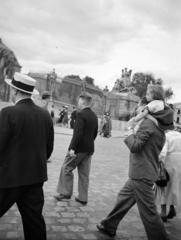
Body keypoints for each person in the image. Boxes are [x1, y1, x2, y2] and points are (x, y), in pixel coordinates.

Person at [97, 86, 173, 240]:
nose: (139, 109)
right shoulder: (159, 126)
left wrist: (129, 130)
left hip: (142, 174)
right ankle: (108, 225)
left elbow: (135, 146)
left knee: (149, 213)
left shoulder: (148, 124)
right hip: (143, 172)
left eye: (142, 107)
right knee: (123, 198)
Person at [0, 72, 54, 240]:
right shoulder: (45, 115)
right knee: (34, 223)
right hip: (35, 178)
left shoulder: (8, 113)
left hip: (9, 179)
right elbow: (48, 149)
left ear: (15, 92)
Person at [54, 92, 98, 204]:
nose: (77, 102)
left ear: (83, 101)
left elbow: (77, 134)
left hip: (78, 149)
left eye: (79, 100)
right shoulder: (94, 116)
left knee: (66, 168)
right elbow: (95, 133)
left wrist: (72, 148)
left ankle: (65, 192)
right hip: (89, 149)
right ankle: (83, 198)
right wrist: (89, 143)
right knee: (84, 174)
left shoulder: (81, 114)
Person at [156, 129, 181, 222]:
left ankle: (163, 212)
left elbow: (163, 152)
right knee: (174, 186)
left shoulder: (166, 136)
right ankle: (172, 209)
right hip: (179, 163)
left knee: (163, 186)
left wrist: (159, 162)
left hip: (169, 162)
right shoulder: (180, 135)